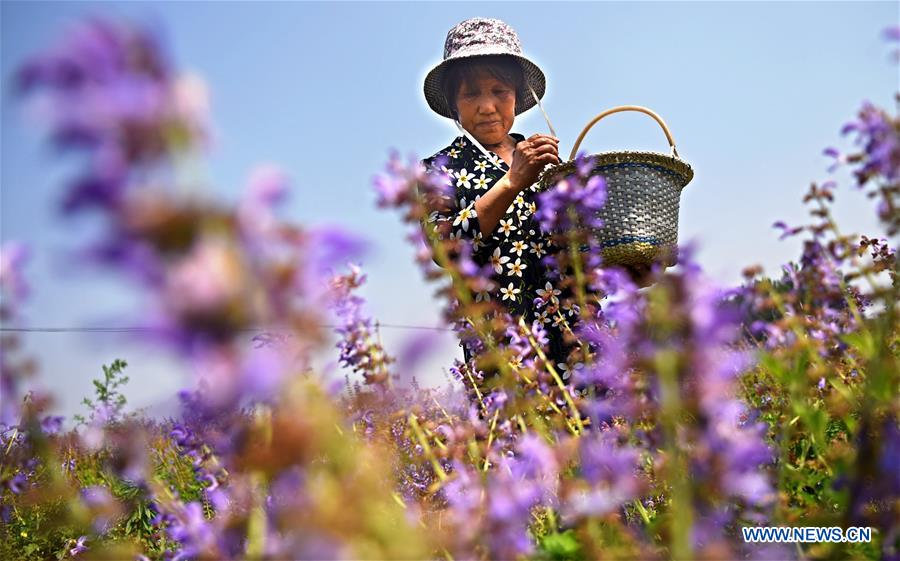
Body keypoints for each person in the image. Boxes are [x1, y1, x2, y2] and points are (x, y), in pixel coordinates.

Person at [419, 17, 574, 373]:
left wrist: (633, 268)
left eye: (499, 91)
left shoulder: (544, 157)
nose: (487, 106)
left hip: (573, 334)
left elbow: (580, 242)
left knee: (594, 425)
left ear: (517, 98)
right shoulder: (439, 169)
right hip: (502, 349)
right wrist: (511, 182)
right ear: (454, 103)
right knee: (518, 428)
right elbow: (444, 247)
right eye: (471, 93)